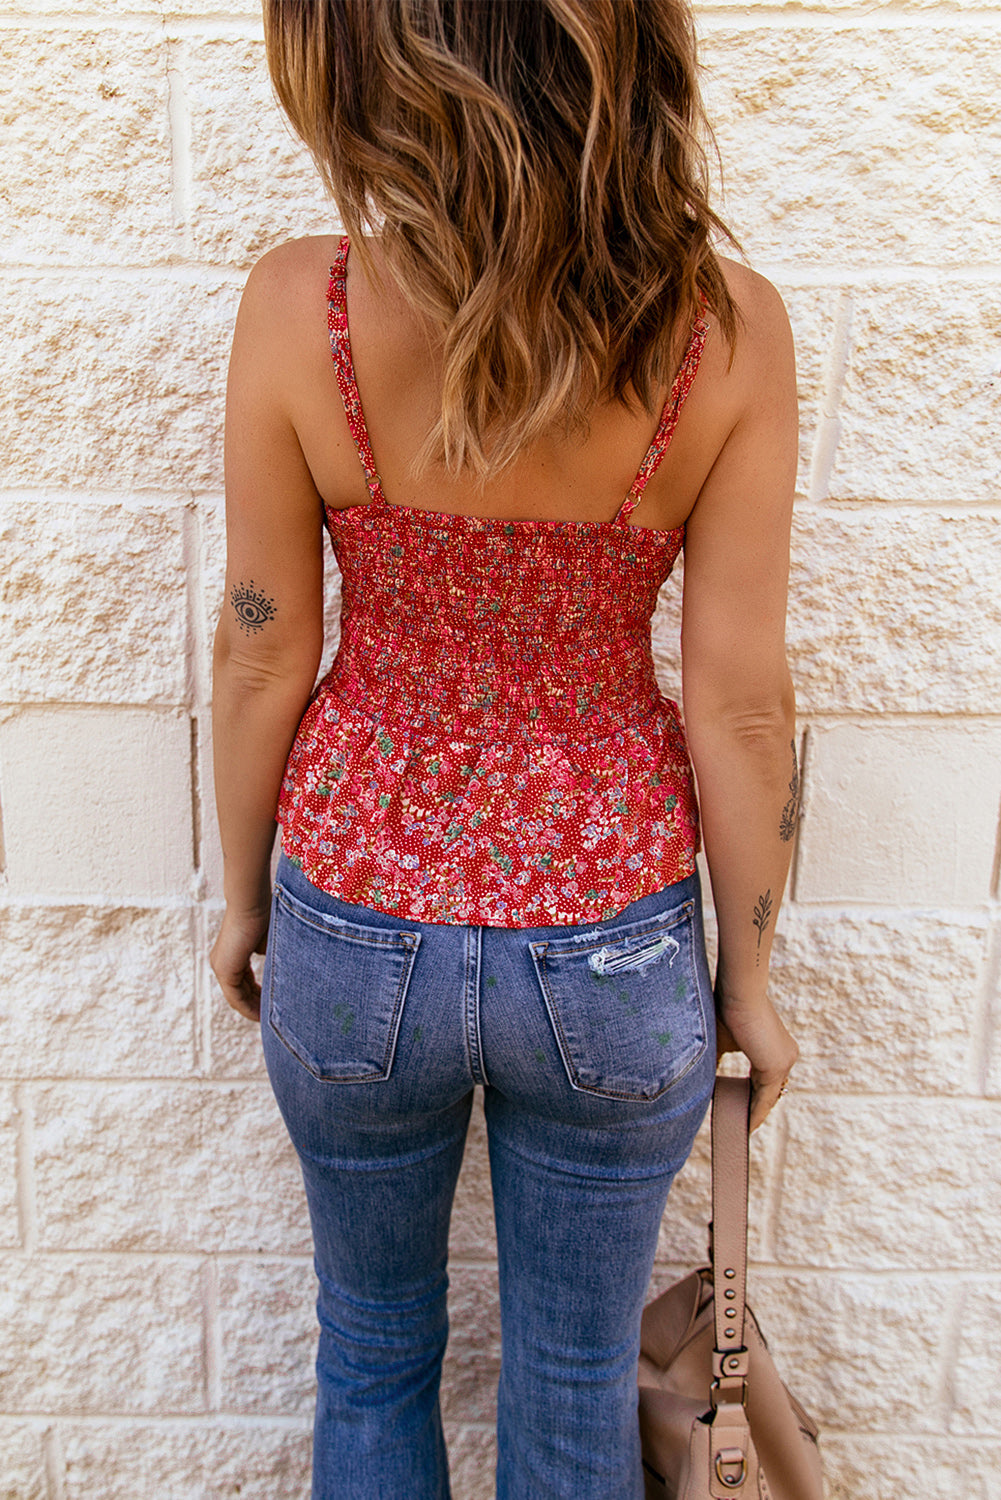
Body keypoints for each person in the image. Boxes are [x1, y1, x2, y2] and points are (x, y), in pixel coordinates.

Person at [210, 1, 800, 1495]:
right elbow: (735, 700)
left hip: (352, 929)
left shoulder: (304, 307)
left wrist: (242, 898)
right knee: (578, 1370)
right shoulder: (722, 333)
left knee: (371, 1350)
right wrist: (753, 980)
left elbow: (263, 645)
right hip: (612, 956)